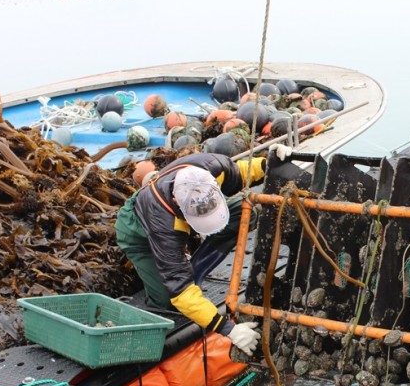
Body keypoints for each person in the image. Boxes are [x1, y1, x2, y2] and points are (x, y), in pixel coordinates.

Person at [115, 145, 292, 355]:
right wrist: (229, 329)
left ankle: (195, 270)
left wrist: (270, 161)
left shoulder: (210, 167)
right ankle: (170, 287)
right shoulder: (163, 224)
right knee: (166, 301)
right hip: (137, 232)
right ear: (176, 202)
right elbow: (180, 291)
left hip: (177, 218)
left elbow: (242, 171)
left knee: (246, 214)